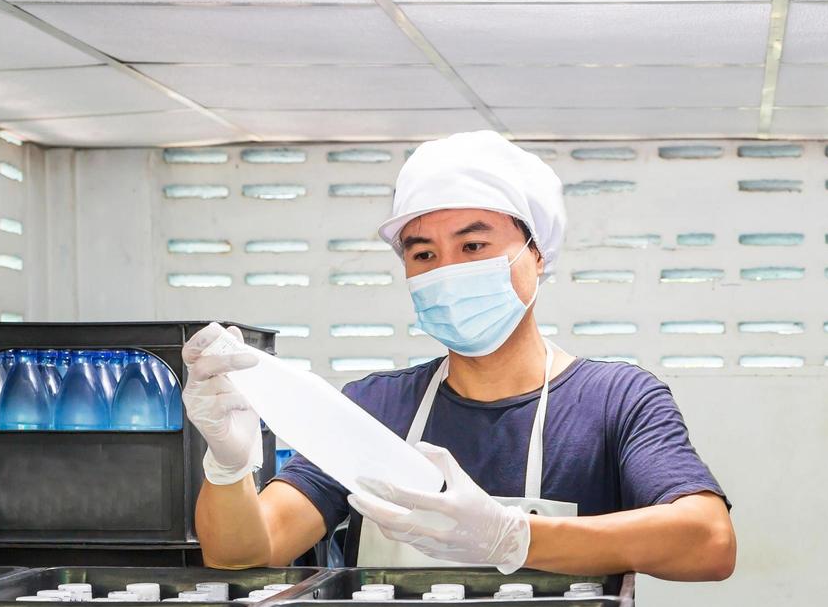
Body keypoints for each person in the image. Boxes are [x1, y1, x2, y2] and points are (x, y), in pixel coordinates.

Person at [184, 131, 735, 579]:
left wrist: (512, 536)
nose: (446, 270)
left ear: (535, 254)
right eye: (424, 253)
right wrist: (228, 467)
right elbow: (244, 555)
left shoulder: (615, 401)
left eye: (473, 246)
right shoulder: (375, 406)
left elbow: (709, 542)